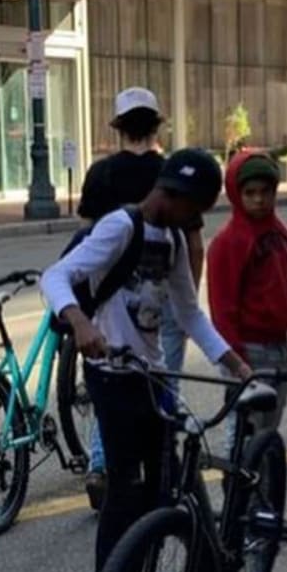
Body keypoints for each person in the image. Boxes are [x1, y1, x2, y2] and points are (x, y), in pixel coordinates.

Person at [41, 149, 250, 572]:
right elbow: (54, 277)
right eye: (195, 210)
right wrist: (81, 322)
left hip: (151, 377)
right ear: (172, 196)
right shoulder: (120, 226)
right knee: (125, 491)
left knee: (161, 490)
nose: (197, 222)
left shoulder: (174, 239)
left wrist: (233, 363)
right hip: (110, 376)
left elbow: (190, 314)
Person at [77, 86, 205, 509]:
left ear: (118, 129)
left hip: (111, 298)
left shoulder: (101, 175)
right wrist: (189, 295)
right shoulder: (173, 173)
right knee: (161, 376)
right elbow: (193, 242)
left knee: (112, 379)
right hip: (165, 292)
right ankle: (160, 463)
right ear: (156, 125)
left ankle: (104, 465)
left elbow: (87, 241)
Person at [206, 150, 287, 448]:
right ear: (236, 194)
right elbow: (223, 309)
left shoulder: (279, 234)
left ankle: (263, 488)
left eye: (266, 192)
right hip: (247, 351)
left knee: (269, 429)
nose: (258, 200)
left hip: (278, 347)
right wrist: (235, 358)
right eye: (250, 193)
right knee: (244, 429)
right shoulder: (228, 242)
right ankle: (239, 488)